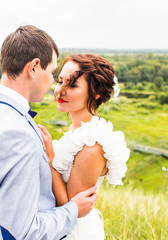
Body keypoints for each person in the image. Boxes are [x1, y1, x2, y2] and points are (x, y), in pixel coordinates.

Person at [0, 26, 98, 240]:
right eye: (52, 72)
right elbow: (24, 232)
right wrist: (73, 210)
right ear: (34, 67)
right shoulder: (14, 135)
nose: (52, 82)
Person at [38, 54, 130, 239]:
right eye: (60, 81)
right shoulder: (77, 132)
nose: (60, 91)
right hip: (59, 227)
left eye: (72, 85)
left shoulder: (93, 144)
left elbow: (71, 207)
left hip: (75, 232)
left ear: (95, 93)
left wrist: (50, 159)